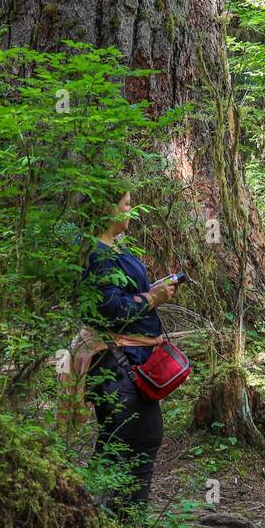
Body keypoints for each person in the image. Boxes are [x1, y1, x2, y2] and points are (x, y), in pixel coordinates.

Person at [80, 189, 179, 509]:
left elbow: (123, 296)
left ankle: (110, 525)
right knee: (128, 443)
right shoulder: (97, 253)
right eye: (126, 204)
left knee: (124, 443)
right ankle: (111, 525)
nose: (131, 209)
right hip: (117, 366)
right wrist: (153, 298)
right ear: (109, 210)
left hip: (129, 364)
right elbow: (109, 310)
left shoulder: (114, 248)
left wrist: (151, 291)